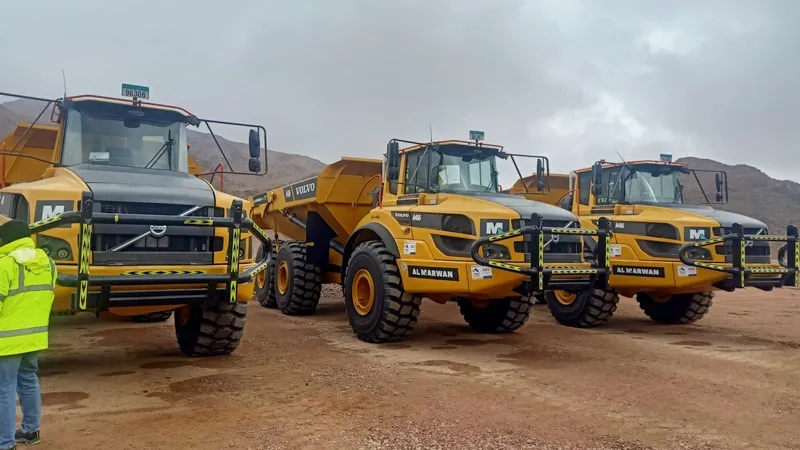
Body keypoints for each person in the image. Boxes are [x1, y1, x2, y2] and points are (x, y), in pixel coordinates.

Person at [0, 220, 56, 450]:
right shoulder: (48, 263)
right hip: (34, 337)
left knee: (4, 389)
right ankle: (30, 431)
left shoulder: (4, 264)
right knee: (29, 381)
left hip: (6, 340)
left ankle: (5, 443)